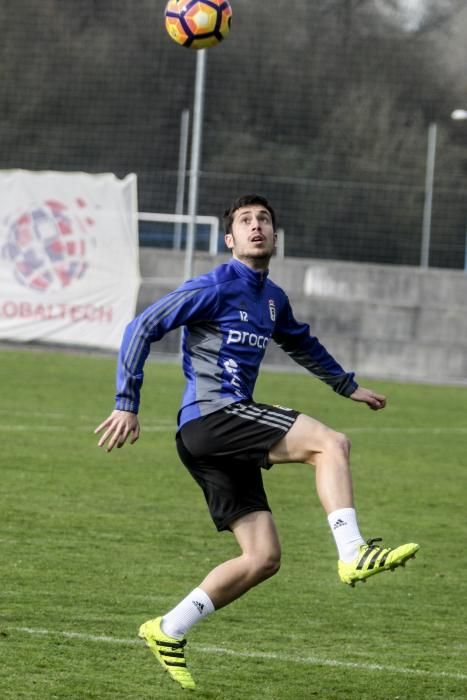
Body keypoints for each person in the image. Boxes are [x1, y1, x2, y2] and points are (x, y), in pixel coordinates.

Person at [95, 194, 419, 691]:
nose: (256, 227)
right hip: (213, 417)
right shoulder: (214, 286)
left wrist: (345, 385)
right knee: (330, 444)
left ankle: (168, 628)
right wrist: (126, 401)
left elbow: (301, 342)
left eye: (264, 220)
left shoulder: (272, 298)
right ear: (230, 239)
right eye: (245, 221)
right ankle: (352, 551)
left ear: (274, 235)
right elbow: (143, 326)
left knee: (263, 557)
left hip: (214, 436)